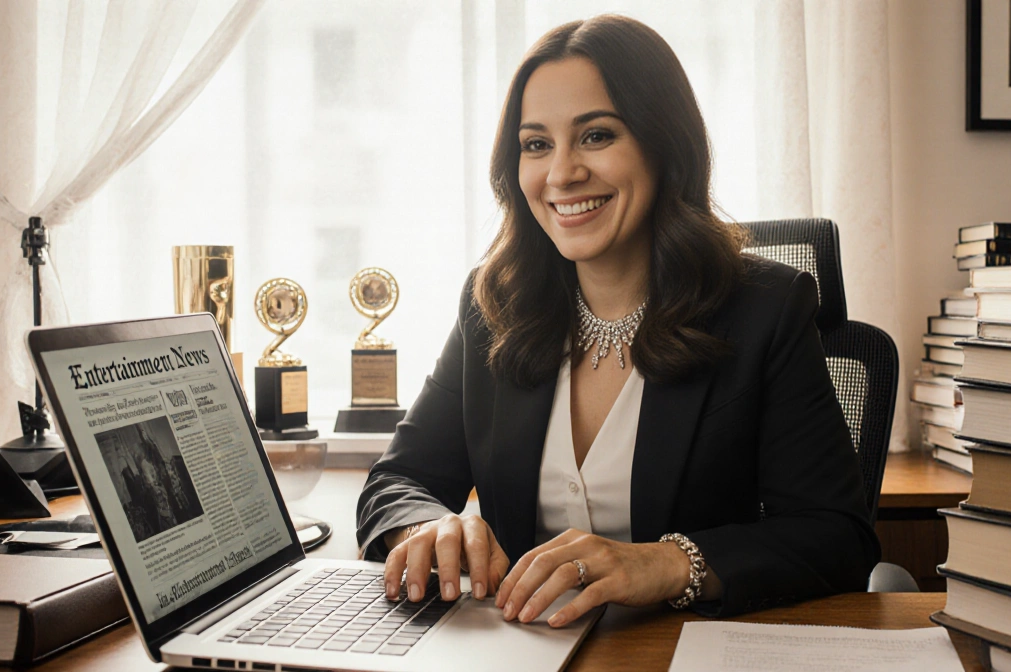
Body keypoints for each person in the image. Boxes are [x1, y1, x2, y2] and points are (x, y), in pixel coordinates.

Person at [355, 14, 879, 626]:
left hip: (679, 652)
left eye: (597, 135)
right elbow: (396, 481)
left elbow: (836, 536)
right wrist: (428, 527)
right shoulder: (492, 305)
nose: (561, 174)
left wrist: (666, 563)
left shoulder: (766, 308)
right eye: (536, 144)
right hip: (521, 652)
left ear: (665, 145)